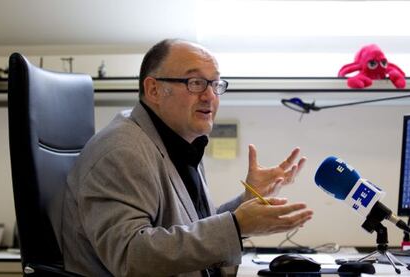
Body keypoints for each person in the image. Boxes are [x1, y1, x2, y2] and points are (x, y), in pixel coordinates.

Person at [61, 38, 313, 277]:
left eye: (215, 84)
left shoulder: (179, 139)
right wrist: (238, 226)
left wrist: (246, 201)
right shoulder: (121, 152)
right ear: (154, 89)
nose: (209, 96)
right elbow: (130, 256)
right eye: (195, 83)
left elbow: (190, 227)